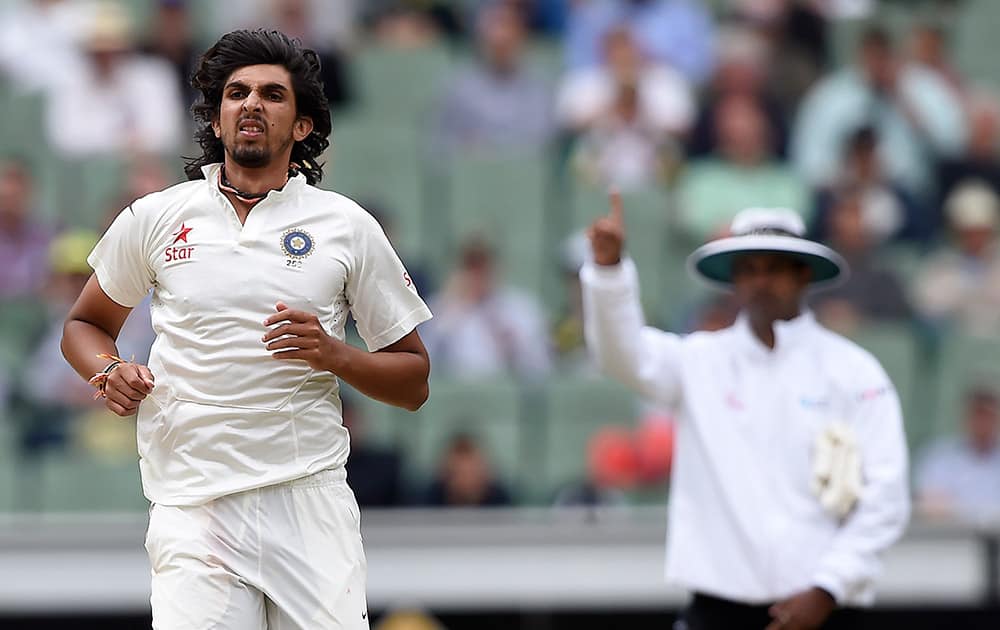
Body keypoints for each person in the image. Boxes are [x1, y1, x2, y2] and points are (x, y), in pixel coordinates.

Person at [60, 29, 432, 629]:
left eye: (271, 94)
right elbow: (84, 324)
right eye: (235, 93)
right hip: (193, 504)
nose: (251, 104)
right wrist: (107, 369)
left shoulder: (346, 226)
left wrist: (336, 355)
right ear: (216, 119)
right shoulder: (157, 216)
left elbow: (414, 381)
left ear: (303, 126)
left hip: (308, 503)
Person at [582, 197, 909, 629]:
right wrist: (609, 274)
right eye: (748, 270)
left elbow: (886, 496)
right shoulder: (700, 361)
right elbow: (622, 356)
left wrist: (829, 586)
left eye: (774, 268)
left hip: (823, 609)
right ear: (733, 280)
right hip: (717, 608)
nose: (761, 282)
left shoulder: (853, 371)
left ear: (803, 275)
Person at [433, 1, 553, 154]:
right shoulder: (458, 89)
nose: (500, 37)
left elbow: (542, 143)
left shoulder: (539, 90)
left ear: (521, 37)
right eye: (493, 29)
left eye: (508, 28)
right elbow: (442, 146)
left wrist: (490, 145)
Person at [916, 387, 1000, 522]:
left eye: (988, 415)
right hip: (952, 539)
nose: (983, 422)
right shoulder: (940, 456)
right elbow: (931, 507)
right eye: (978, 414)